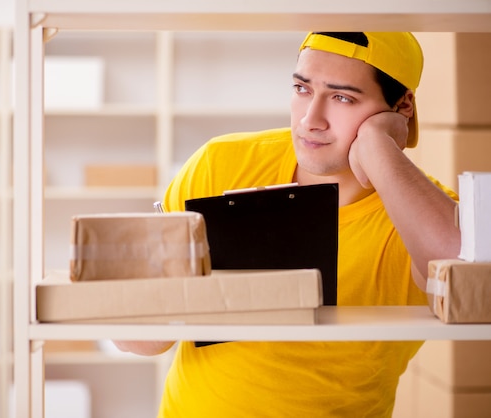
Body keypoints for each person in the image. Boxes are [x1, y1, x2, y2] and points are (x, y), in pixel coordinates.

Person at [114, 32, 461, 417]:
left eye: (343, 98)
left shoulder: (424, 215)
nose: (310, 120)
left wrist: (379, 144)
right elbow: (135, 338)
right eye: (301, 88)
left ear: (402, 106)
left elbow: (468, 289)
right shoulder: (221, 164)